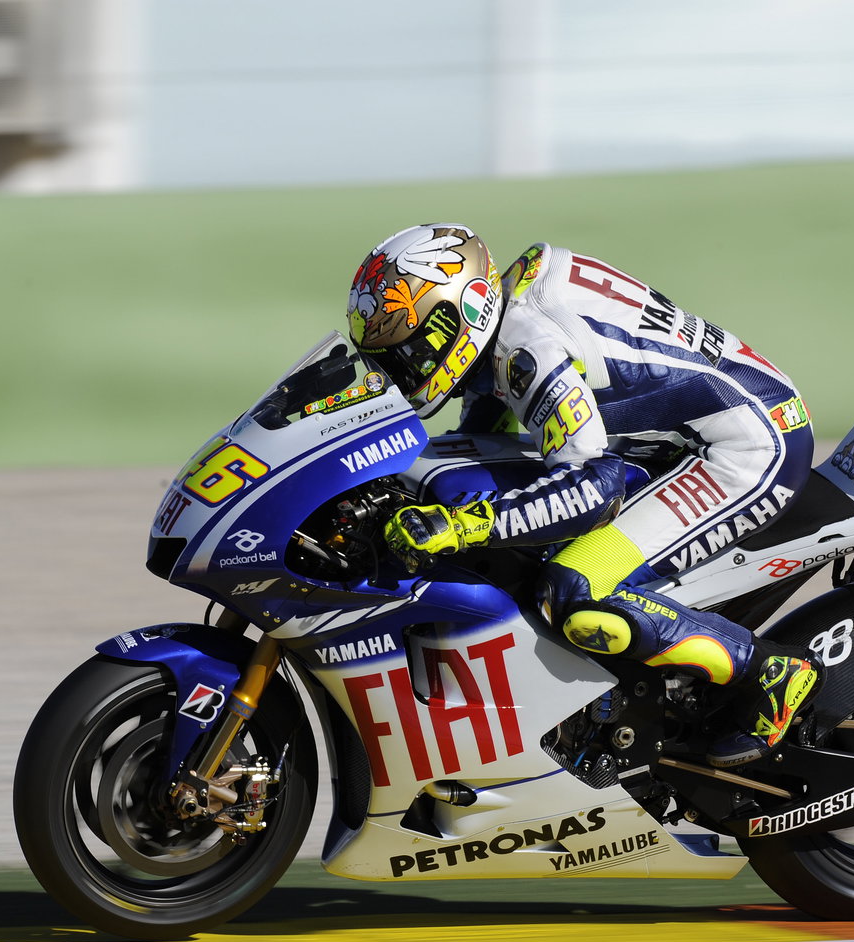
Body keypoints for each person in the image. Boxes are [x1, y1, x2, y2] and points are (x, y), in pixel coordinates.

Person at [348, 223, 818, 768]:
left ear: (460, 314)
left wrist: (463, 526)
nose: (401, 370)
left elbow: (594, 489)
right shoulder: (507, 314)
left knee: (573, 587)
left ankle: (768, 671)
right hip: (691, 433)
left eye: (409, 351)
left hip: (745, 450)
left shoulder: (531, 348)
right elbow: (490, 419)